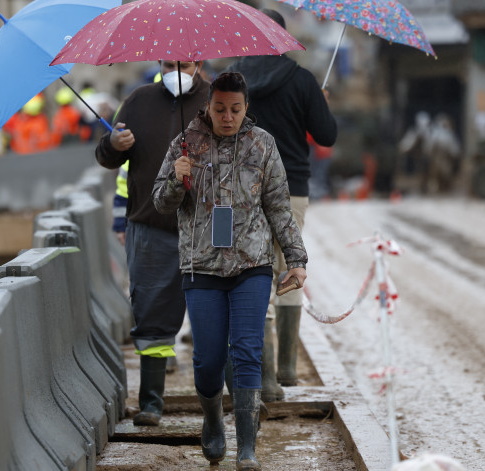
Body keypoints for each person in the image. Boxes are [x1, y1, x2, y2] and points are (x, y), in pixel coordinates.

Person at [153, 72, 308, 470]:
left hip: (251, 266)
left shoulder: (263, 145)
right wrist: (176, 179)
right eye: (219, 108)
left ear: (246, 108)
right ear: (208, 105)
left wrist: (296, 260)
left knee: (246, 352)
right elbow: (160, 203)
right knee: (206, 361)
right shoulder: (185, 145)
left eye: (235, 109)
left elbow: (279, 207)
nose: (227, 116)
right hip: (201, 267)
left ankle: (247, 446)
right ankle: (211, 418)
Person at [226, 8, 337, 402]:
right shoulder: (302, 80)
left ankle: (267, 379)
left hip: (244, 192)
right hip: (292, 190)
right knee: (290, 269)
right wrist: (317, 104)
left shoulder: (230, 83)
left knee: (255, 275)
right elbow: (326, 136)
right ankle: (288, 366)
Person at [95, 59, 208, 426]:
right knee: (151, 314)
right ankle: (152, 402)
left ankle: (221, 404)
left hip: (207, 230)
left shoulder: (217, 100)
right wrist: (113, 144)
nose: (175, 69)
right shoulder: (138, 102)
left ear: (199, 62)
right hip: (150, 227)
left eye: (184, 63)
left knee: (215, 317)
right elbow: (108, 158)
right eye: (167, 63)